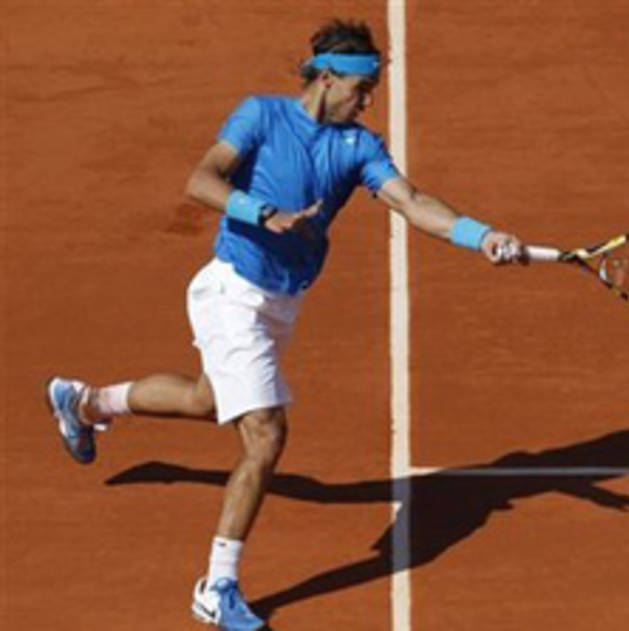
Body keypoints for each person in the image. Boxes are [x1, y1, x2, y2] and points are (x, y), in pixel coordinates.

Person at [45, 18, 524, 631]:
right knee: (266, 434)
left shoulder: (360, 148)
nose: (368, 102)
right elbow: (201, 180)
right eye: (362, 89)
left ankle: (84, 402)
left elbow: (411, 201)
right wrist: (262, 212)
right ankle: (216, 587)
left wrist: (482, 236)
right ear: (328, 78)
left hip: (280, 304)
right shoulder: (262, 116)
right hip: (232, 292)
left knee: (207, 398)